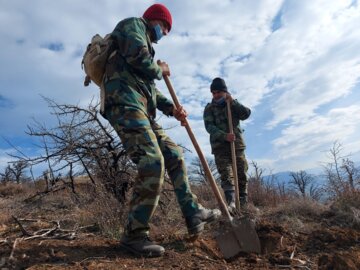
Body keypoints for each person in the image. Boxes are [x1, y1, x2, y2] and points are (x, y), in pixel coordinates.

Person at [101, 4, 221, 258]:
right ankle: (133, 235)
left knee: (174, 155)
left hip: (142, 107)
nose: (165, 33)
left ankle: (193, 213)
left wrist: (173, 109)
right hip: (124, 103)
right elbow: (139, 58)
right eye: (165, 27)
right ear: (156, 20)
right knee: (152, 162)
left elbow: (152, 92)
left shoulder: (146, 46)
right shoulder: (133, 26)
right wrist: (161, 70)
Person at [203, 77, 251, 212]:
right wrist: (225, 136)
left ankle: (243, 204)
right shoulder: (209, 109)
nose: (216, 95)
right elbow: (209, 127)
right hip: (220, 147)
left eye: (219, 92)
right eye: (214, 93)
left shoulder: (232, 105)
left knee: (241, 173)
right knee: (226, 174)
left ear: (225, 92)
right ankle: (231, 204)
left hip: (237, 146)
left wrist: (233, 102)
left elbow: (246, 114)